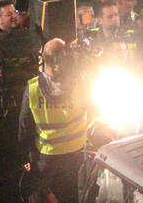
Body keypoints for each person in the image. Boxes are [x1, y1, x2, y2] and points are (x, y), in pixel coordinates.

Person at [20, 38, 110, 202]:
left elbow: (24, 129)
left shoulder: (32, 88)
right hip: (75, 158)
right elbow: (96, 109)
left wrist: (28, 158)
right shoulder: (79, 85)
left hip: (46, 160)